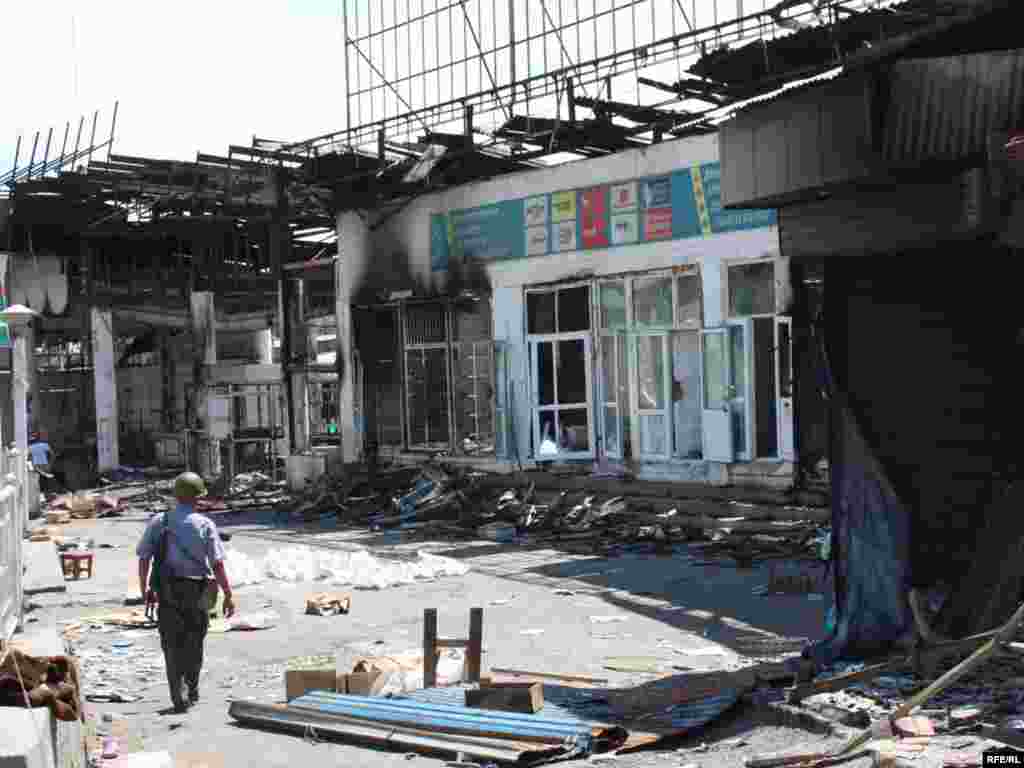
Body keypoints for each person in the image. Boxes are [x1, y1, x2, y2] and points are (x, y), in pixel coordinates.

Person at [136, 472, 236, 713]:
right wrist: (228, 594)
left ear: (176, 496)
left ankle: (177, 693)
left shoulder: (159, 521)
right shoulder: (204, 525)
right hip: (196, 591)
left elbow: (144, 558)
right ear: (197, 497)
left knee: (171, 643)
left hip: (166, 590)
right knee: (194, 642)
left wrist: (145, 590)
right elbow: (217, 564)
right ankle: (191, 687)